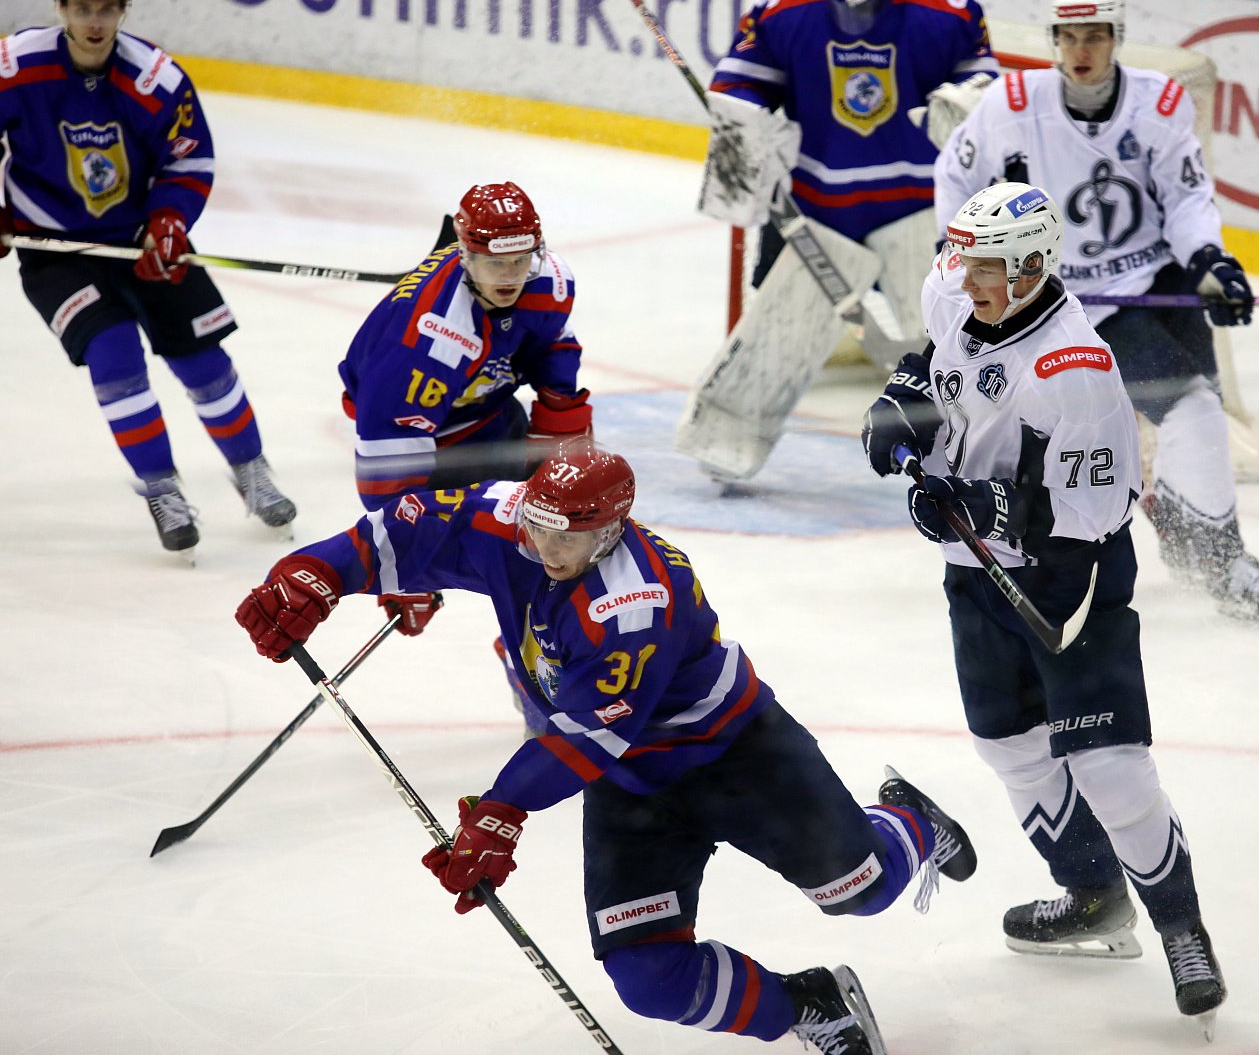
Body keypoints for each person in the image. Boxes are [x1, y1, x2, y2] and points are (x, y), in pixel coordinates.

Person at [234, 440, 977, 1054]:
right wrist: (314, 573)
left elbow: (586, 736)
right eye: (538, 528)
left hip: (735, 756)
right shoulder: (516, 521)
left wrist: (501, 811)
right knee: (648, 978)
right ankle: (809, 1003)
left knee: (861, 892)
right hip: (631, 783)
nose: (545, 548)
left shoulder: (635, 603)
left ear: (613, 531)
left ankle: (913, 822)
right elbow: (400, 533)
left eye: (567, 537)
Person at [861, 182, 1226, 1034]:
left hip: (1071, 583)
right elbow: (937, 354)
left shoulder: (1078, 370)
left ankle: (1182, 930)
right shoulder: (959, 286)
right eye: (966, 260)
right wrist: (904, 399)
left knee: (1108, 764)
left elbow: (1097, 510)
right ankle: (1093, 894)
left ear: (1030, 268)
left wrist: (983, 506)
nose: (966, 277)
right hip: (974, 577)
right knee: (1009, 745)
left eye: (987, 266)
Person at [931, 0, 1259, 623]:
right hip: (1060, 304)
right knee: (1131, 421)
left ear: (1116, 38)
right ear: (1054, 40)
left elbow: (1186, 197)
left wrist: (1209, 261)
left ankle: (1204, 551)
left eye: (1096, 36)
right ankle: (1193, 563)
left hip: (1149, 287)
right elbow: (955, 175)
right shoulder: (1012, 104)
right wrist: (959, 258)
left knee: (1198, 414)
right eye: (1070, 36)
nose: (1082, 50)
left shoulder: (1158, 103)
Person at [0, 0, 296, 555]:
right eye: (82, 8)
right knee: (114, 357)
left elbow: (190, 158)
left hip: (142, 241)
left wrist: (169, 220)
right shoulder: (16, 66)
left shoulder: (155, 79)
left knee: (203, 361)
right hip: (55, 250)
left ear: (124, 9)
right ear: (60, 6)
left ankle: (252, 471)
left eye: (107, 10)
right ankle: (162, 489)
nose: (94, 23)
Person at [679, 0, 999, 479]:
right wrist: (747, 123)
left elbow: (986, 91)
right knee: (779, 339)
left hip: (920, 212)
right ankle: (728, 440)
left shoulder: (950, 10)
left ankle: (979, 451)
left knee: (957, 340)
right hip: (820, 213)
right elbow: (739, 82)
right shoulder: (784, 7)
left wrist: (967, 103)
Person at [336, 181, 593, 656]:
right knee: (520, 549)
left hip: (490, 414)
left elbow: (554, 343)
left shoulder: (548, 282)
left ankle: (541, 645)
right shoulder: (424, 345)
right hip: (431, 444)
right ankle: (536, 646)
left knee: (573, 532)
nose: (510, 276)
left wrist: (560, 428)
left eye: (520, 260)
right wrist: (402, 566)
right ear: (465, 256)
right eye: (496, 263)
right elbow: (386, 465)